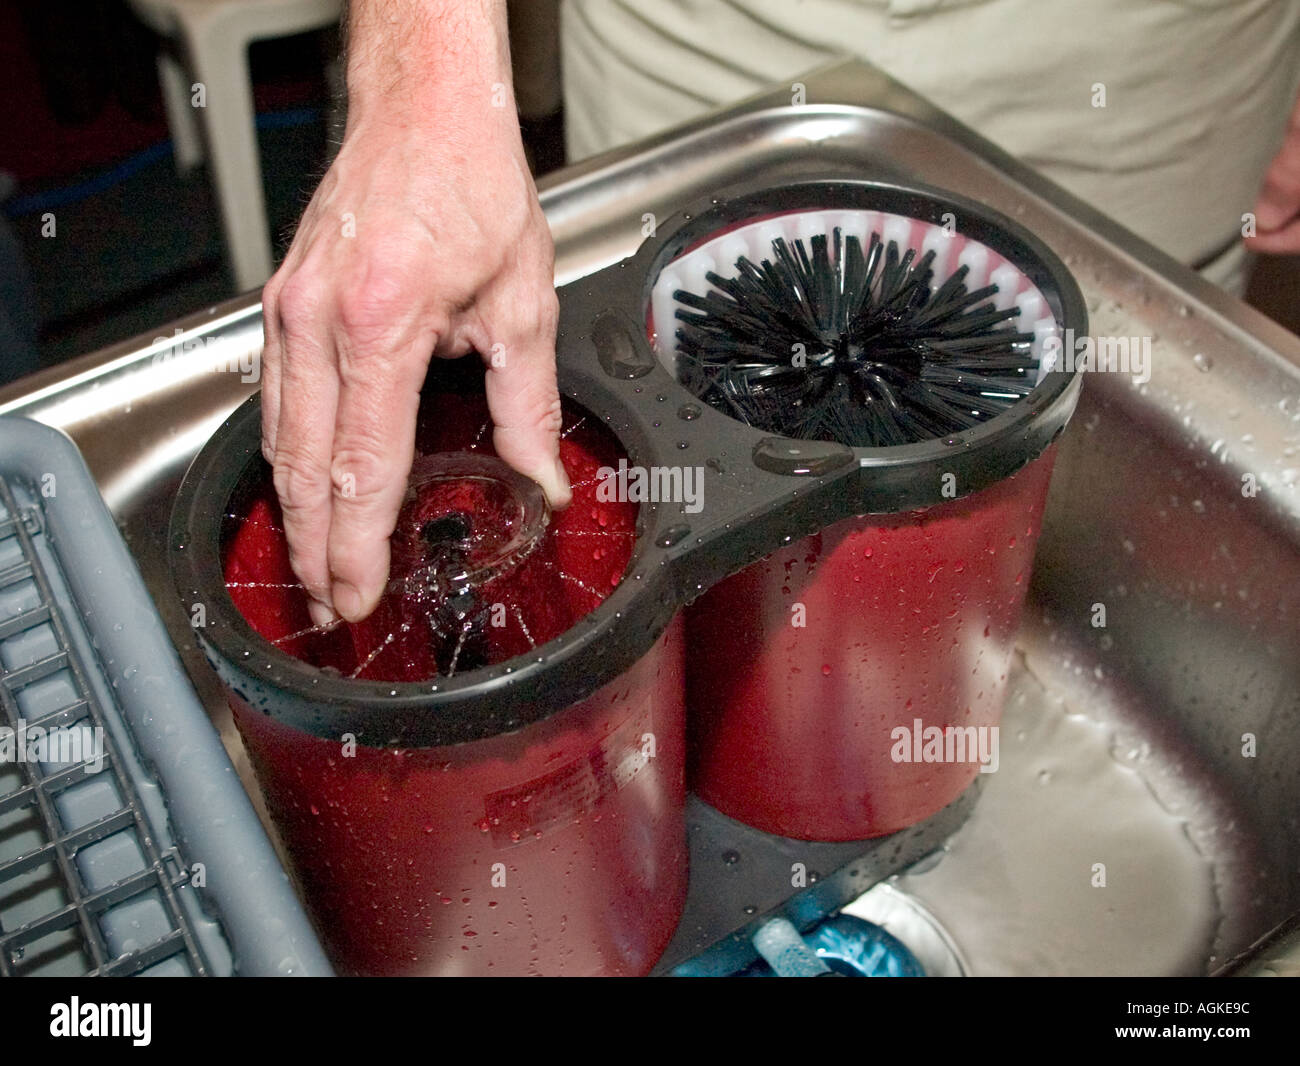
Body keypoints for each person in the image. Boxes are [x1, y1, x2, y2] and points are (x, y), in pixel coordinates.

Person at [263, 0, 1300, 626]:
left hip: (1157, 70)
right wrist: (424, 79)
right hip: (714, 46)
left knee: (1114, 527)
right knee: (683, 464)